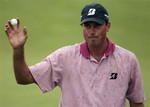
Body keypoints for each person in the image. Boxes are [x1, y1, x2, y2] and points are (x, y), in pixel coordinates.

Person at [5, 3, 145, 107]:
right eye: (87, 26)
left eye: (97, 26)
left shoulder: (128, 60)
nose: (91, 31)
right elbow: (23, 78)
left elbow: (137, 103)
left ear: (108, 26)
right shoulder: (65, 57)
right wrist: (18, 50)